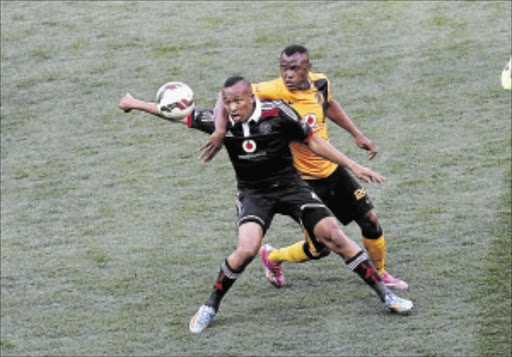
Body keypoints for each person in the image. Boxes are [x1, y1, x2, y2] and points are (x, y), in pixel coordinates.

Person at [119, 76, 413, 334]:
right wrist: (134, 102)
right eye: (227, 102)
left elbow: (313, 141)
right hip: (254, 194)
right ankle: (210, 306)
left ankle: (387, 296)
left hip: (291, 187)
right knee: (246, 249)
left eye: (238, 101)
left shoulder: (278, 113)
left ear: (252, 98)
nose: (233, 108)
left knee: (334, 235)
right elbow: (174, 113)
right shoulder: (221, 124)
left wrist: (352, 164)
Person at [200, 44, 408, 290]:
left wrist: (356, 133)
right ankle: (273, 257)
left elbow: (328, 104)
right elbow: (225, 97)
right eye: (283, 69)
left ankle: (381, 273)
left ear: (308, 68)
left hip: (332, 170)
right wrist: (221, 129)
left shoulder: (320, 83)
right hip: (303, 181)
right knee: (318, 249)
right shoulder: (271, 90)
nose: (287, 74)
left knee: (370, 219)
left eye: (294, 69)